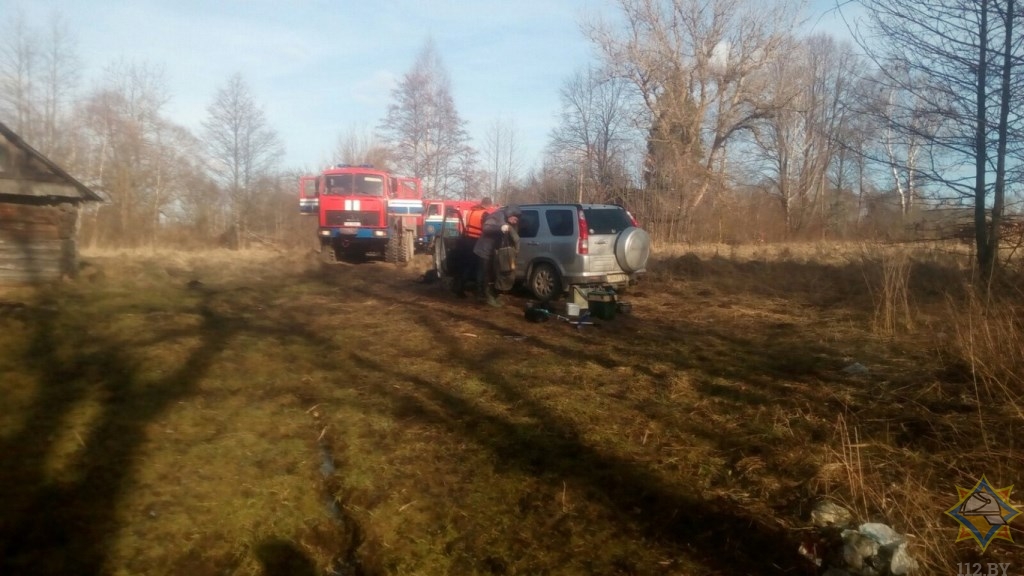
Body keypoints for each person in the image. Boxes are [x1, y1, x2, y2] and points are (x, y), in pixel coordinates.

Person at [473, 205, 521, 307]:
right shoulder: (496, 216)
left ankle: (490, 295)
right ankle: (482, 296)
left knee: (493, 275)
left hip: (495, 252)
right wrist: (500, 228)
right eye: (514, 219)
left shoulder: (509, 222)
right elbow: (486, 228)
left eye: (517, 220)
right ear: (510, 214)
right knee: (484, 274)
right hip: (484, 250)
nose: (515, 221)